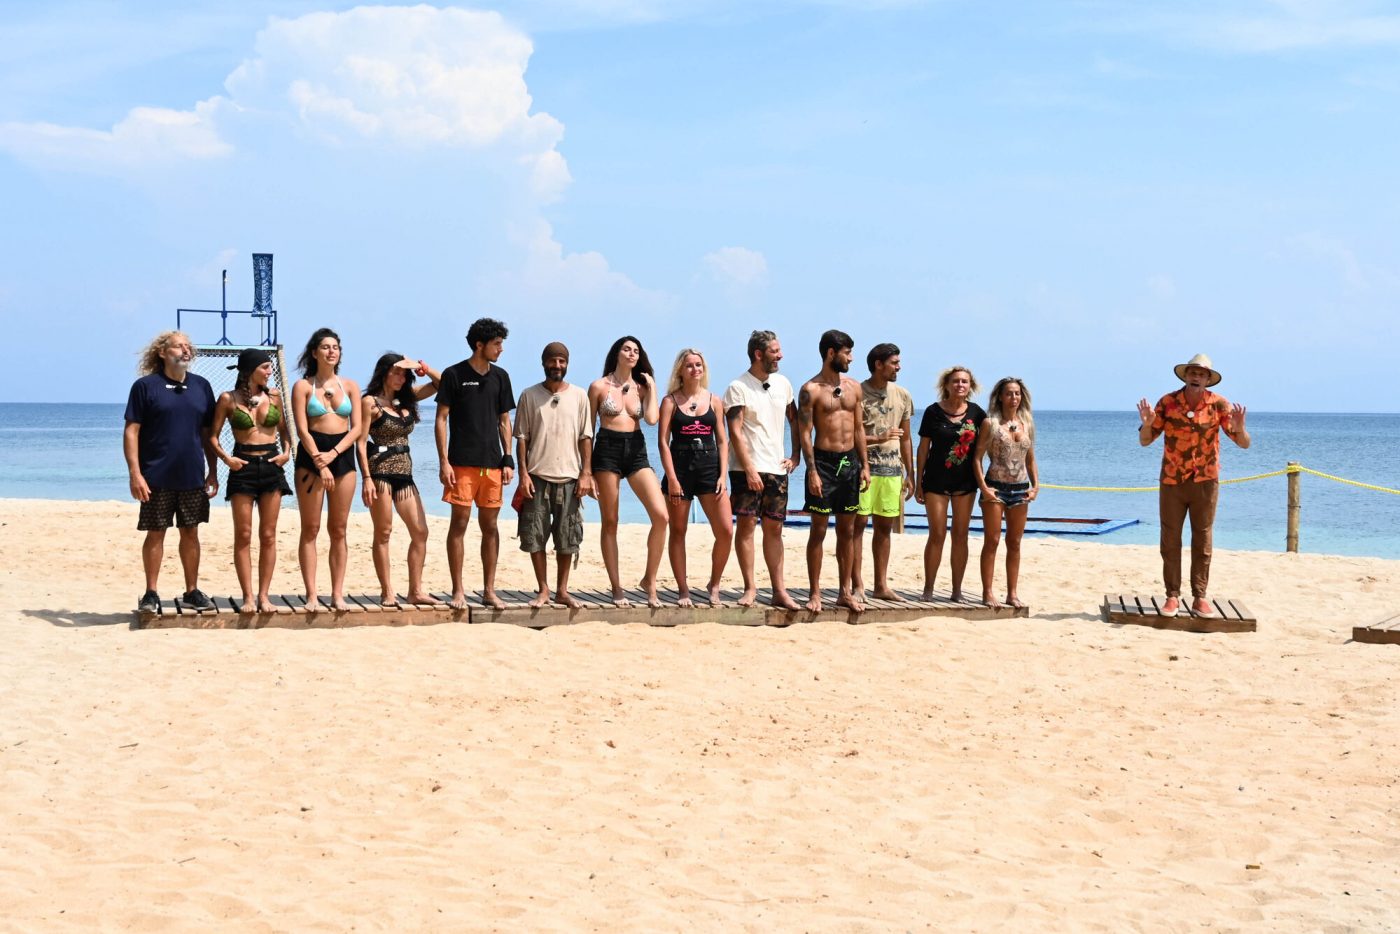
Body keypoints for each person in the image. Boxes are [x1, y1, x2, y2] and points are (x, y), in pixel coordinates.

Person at [1137, 353, 1249, 618]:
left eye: (1201, 374)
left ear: (1208, 379)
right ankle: (1172, 596)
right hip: (1172, 481)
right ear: (1185, 376)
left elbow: (1244, 443)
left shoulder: (1219, 404)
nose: (1196, 377)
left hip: (1205, 482)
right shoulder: (1167, 402)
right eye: (1192, 372)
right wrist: (1147, 424)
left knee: (1203, 539)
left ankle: (1200, 597)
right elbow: (1145, 440)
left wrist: (1241, 428)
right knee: (1170, 539)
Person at [123, 330, 218, 614]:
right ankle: (151, 593)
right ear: (163, 352)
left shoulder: (202, 386)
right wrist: (135, 474)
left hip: (192, 476)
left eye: (188, 346)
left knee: (191, 532)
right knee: (155, 534)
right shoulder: (145, 387)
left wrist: (213, 472)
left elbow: (208, 435)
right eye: (178, 346)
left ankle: (192, 591)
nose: (185, 350)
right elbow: (131, 431)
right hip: (155, 477)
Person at [436, 318, 515, 610]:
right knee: (459, 524)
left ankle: (489, 590)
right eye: (497, 344)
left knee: (490, 526)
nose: (501, 349)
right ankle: (458, 590)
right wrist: (444, 462)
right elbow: (441, 418)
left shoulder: (501, 377)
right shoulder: (454, 374)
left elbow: (504, 420)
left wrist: (508, 458)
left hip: (492, 465)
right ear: (480, 345)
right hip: (461, 464)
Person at [209, 347, 293, 613]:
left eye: (270, 367)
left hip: (271, 465)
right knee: (243, 534)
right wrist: (227, 459)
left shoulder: (275, 396)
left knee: (268, 535)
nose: (270, 371)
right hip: (242, 466)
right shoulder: (228, 398)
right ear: (249, 370)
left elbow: (285, 430)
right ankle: (247, 597)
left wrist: (287, 453)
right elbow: (212, 437)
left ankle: (264, 596)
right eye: (265, 367)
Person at [356, 353, 442, 607]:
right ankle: (387, 592)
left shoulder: (407, 398)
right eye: (395, 372)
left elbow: (443, 383)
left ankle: (415, 590)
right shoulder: (370, 402)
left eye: (404, 374)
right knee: (383, 532)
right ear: (383, 373)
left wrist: (421, 366)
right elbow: (360, 443)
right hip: (380, 473)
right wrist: (366, 478)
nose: (400, 377)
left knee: (420, 532)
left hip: (405, 474)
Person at [588, 336, 668, 608]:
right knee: (611, 521)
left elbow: (652, 419)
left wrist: (652, 387)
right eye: (627, 349)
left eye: (636, 350)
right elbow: (587, 430)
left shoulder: (642, 388)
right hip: (606, 449)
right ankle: (616, 586)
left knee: (661, 516)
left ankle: (650, 581)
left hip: (636, 450)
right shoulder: (599, 386)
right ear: (617, 353)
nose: (632, 354)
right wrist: (586, 470)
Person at [723, 330, 800, 610]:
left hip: (776, 469)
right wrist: (749, 469)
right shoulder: (738, 387)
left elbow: (795, 420)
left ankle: (779, 590)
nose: (780, 355)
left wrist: (796, 455)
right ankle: (750, 587)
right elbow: (734, 431)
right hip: (746, 470)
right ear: (758, 354)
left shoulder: (783, 384)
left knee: (774, 529)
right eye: (774, 351)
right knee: (746, 527)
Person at [514, 342, 595, 608]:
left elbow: (586, 437)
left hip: (570, 478)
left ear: (567, 364)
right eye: (552, 361)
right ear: (544, 363)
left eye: (561, 361)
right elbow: (522, 438)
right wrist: (523, 474)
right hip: (537, 477)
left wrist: (586, 473)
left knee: (567, 537)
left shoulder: (579, 396)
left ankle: (562, 590)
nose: (557, 365)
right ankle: (543, 589)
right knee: (535, 535)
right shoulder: (529, 395)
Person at [797, 330, 870, 613]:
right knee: (818, 529)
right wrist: (812, 471)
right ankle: (815, 592)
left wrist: (864, 466)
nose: (851, 358)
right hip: (824, 464)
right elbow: (805, 433)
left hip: (849, 463)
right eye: (847, 352)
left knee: (847, 530)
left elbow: (859, 428)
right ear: (831, 353)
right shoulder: (810, 390)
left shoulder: (854, 387)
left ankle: (844, 592)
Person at [291, 328, 361, 611]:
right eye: (325, 347)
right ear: (314, 352)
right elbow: (301, 429)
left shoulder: (350, 386)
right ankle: (311, 595)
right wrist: (320, 462)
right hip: (312, 456)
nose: (332, 351)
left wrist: (333, 454)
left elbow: (357, 428)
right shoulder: (303, 387)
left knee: (339, 528)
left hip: (342, 455)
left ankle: (337, 593)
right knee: (311, 528)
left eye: (336, 347)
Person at [657, 348, 733, 607]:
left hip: (710, 468)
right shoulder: (670, 402)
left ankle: (714, 584)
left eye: (698, 365)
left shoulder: (714, 400)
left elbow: (722, 441)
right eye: (689, 365)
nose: (694, 369)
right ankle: (683, 590)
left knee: (725, 531)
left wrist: (723, 475)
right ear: (680, 370)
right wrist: (672, 478)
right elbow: (663, 443)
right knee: (678, 531)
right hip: (680, 469)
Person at [914, 366, 985, 602]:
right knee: (937, 534)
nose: (960, 385)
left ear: (970, 386)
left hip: (965, 481)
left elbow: (985, 446)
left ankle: (957, 591)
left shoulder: (977, 413)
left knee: (960, 535)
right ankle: (928, 589)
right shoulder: (933, 412)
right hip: (935, 480)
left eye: (964, 381)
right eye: (955, 381)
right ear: (946, 385)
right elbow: (923, 449)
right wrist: (918, 481)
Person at [852, 342, 914, 603]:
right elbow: (850, 435)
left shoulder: (902, 395)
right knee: (857, 527)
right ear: (879, 364)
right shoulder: (857, 392)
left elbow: (906, 438)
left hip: (892, 471)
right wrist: (878, 438)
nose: (899, 367)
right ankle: (857, 585)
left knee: (884, 529)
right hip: (862, 470)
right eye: (894, 363)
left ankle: (881, 585)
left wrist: (910, 473)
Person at [973, 377, 1039, 609]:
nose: (1014, 398)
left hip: (1020, 489)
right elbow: (977, 458)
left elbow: (1030, 460)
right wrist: (984, 487)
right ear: (1000, 396)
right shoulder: (990, 423)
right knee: (992, 541)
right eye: (1009, 393)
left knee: (1015, 542)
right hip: (995, 487)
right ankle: (988, 592)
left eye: (1017, 393)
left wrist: (1035, 486)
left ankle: (1012, 593)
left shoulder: (1026, 423)